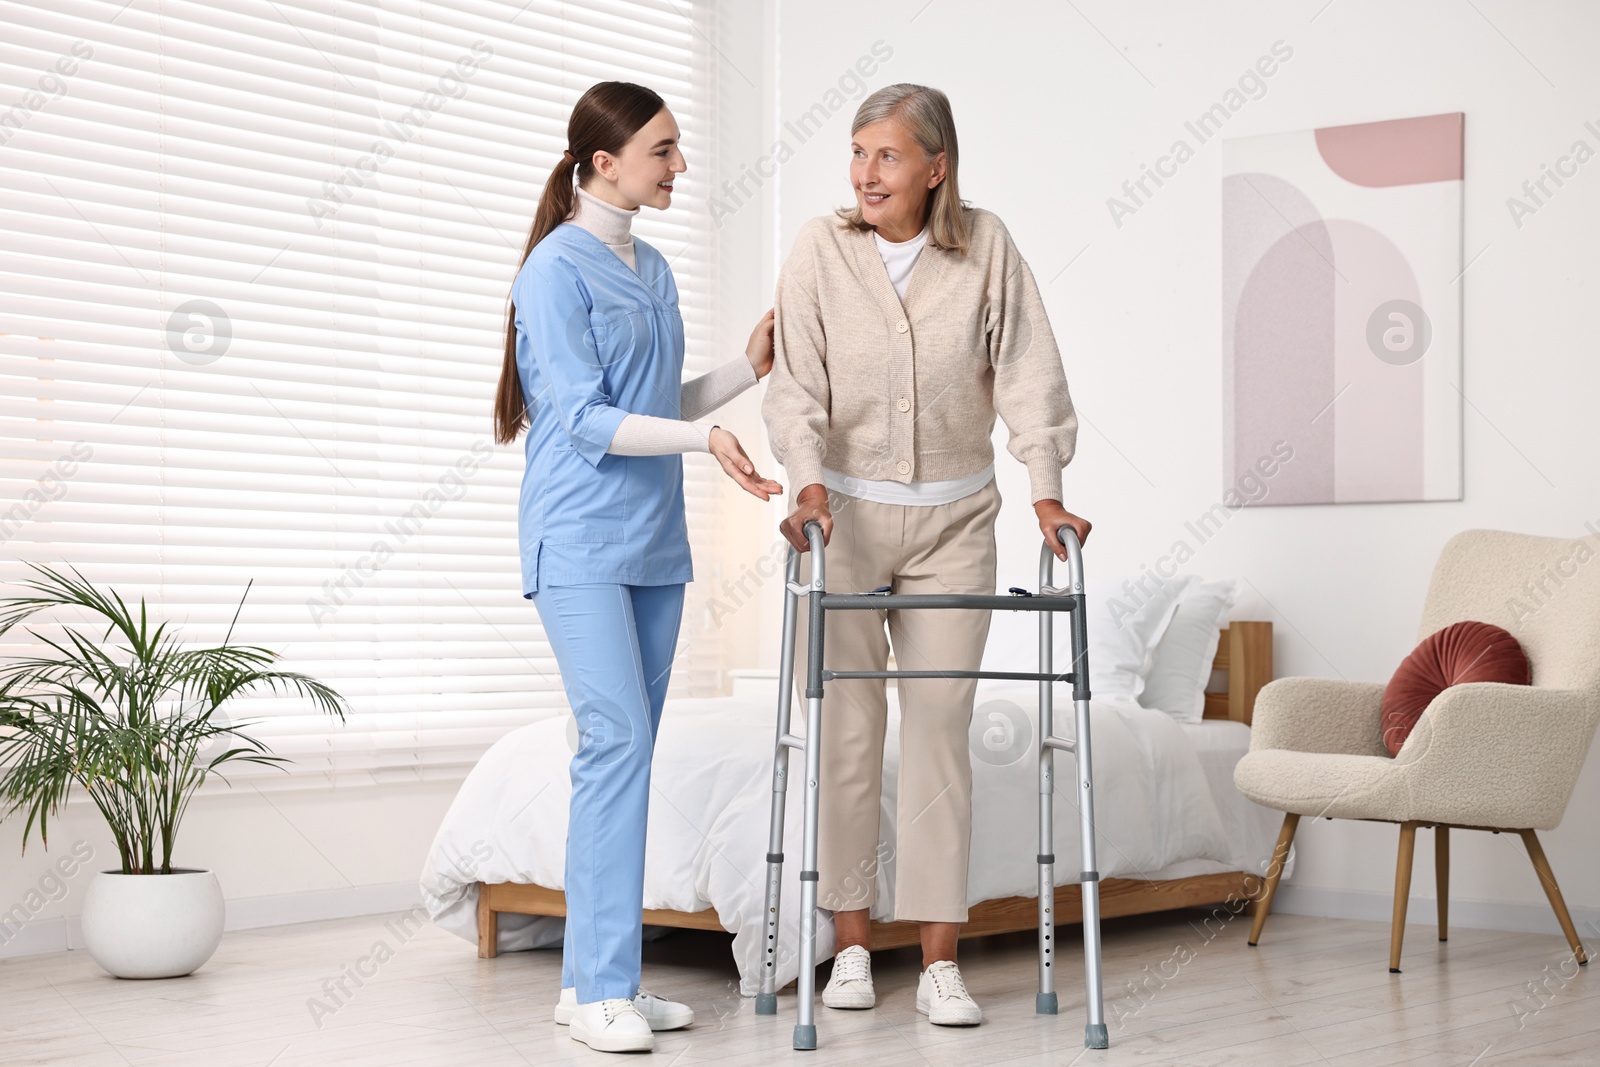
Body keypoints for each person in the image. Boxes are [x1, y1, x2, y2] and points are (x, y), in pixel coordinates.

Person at [762, 83, 1090, 1027]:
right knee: (848, 730)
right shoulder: (821, 251)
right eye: (858, 153)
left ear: (936, 166)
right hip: (845, 521)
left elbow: (1030, 371)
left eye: (889, 155)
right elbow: (795, 386)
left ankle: (941, 959)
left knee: (943, 733)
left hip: (956, 524)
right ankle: (854, 948)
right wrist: (807, 481)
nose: (867, 173)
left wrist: (1046, 489)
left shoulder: (986, 246)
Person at [495, 80, 781, 1054]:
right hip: (577, 542)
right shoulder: (553, 270)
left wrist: (745, 372)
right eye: (663, 150)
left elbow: (662, 399)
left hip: (655, 547)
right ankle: (605, 982)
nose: (680, 166)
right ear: (603, 161)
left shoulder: (652, 269)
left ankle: (590, 982)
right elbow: (581, 418)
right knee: (614, 746)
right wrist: (706, 443)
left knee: (625, 756)